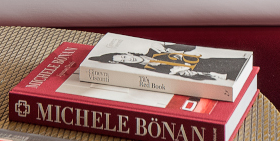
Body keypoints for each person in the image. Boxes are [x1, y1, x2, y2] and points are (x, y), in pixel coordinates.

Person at [86, 44, 244, 84]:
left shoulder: (153, 50)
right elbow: (170, 73)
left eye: (123, 56)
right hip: (202, 73)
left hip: (205, 62)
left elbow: (190, 48)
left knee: (242, 67)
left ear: (128, 53)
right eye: (121, 61)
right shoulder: (148, 69)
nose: (127, 59)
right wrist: (175, 69)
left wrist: (169, 47)